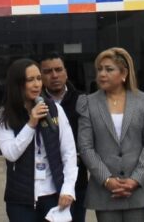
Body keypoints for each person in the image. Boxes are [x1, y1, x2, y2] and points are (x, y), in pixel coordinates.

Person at [76, 47, 144, 222]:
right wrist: (107, 179)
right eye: (99, 69)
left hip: (137, 189)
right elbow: (85, 147)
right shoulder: (88, 103)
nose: (102, 74)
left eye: (109, 69)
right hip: (104, 191)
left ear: (124, 74)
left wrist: (135, 179)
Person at [0, 58, 78, 222]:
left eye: (39, 78)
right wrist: (31, 123)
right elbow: (11, 154)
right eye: (30, 80)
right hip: (21, 199)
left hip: (53, 194)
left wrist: (68, 188)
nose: (36, 85)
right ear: (18, 83)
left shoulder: (54, 109)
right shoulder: (5, 114)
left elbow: (69, 153)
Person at [41, 52, 88, 222]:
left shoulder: (82, 100)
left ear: (66, 72)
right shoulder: (34, 103)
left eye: (58, 69)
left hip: (77, 180)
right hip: (45, 183)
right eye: (48, 71)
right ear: (40, 76)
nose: (54, 75)